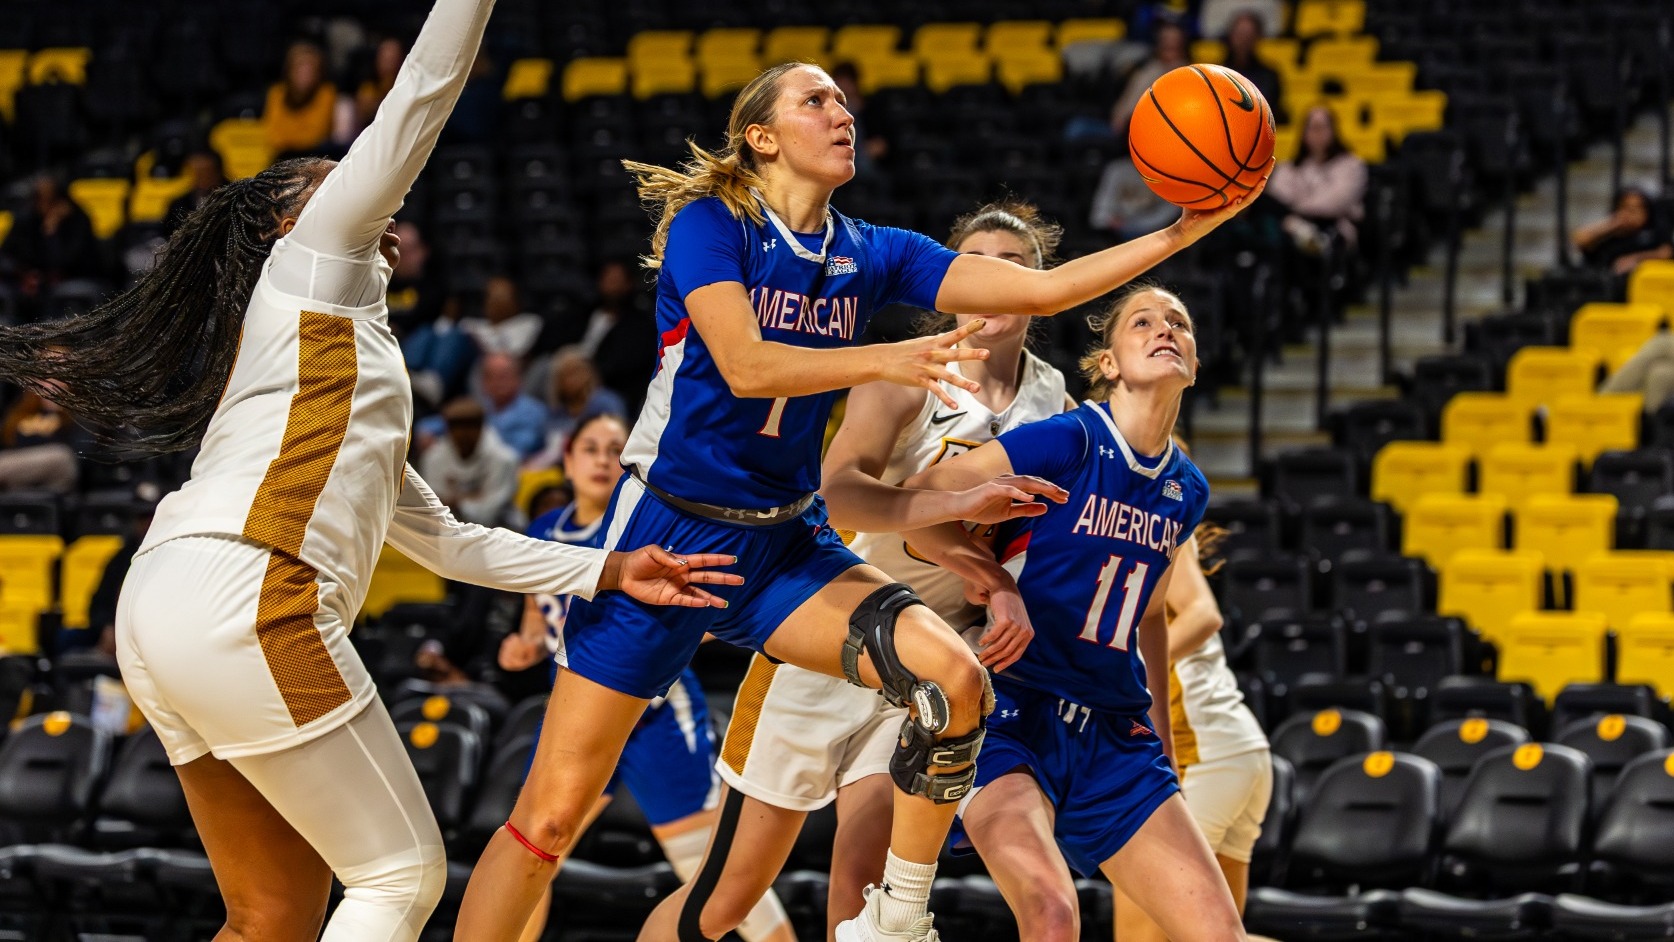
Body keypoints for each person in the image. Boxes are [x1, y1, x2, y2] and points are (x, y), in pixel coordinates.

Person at [454, 60, 1263, 942]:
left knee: (954, 680)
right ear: (761, 138)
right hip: (666, 533)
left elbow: (1044, 291)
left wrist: (1183, 230)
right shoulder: (710, 227)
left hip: (784, 543)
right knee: (552, 821)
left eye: (844, 99)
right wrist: (885, 361)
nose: (841, 111)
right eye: (816, 100)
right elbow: (748, 365)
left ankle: (898, 919)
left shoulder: (872, 252)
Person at [0, 1, 740, 938]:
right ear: (285, 220)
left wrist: (606, 567)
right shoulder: (312, 265)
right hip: (246, 593)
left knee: (272, 913)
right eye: (334, 178)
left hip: (163, 603)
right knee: (400, 874)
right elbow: (419, 99)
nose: (362, 191)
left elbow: (449, 540)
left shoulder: (329, 354)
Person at [638, 200, 1073, 942]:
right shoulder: (909, 372)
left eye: (1016, 265)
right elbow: (840, 494)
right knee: (727, 897)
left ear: (1037, 286)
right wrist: (972, 533)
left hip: (930, 658)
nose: (997, 278)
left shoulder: (1053, 399)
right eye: (982, 263)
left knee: (865, 880)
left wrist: (1005, 590)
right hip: (831, 630)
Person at [893, 284, 1249, 942]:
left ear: (1194, 364)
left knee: (1217, 933)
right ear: (1109, 362)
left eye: (1180, 321)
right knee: (1054, 916)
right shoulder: (1068, 439)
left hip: (1113, 732)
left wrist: (1162, 745)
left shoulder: (1186, 489)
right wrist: (996, 580)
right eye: (1141, 321)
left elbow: (1150, 617)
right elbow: (919, 501)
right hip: (1012, 710)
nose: (1163, 328)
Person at [499, 412, 797, 942]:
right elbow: (537, 613)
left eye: (613, 449)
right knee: (529, 850)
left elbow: (706, 610)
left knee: (709, 873)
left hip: (651, 712)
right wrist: (524, 643)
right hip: (574, 714)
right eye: (588, 447)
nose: (599, 458)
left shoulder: (644, 529)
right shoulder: (544, 530)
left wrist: (667, 636)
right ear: (565, 460)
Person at [1113, 523, 1273, 942]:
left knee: (1140, 937)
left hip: (1200, 753)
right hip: (1235, 749)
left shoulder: (1156, 523)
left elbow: (1205, 615)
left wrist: (1115, 675)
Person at [1266, 105, 1368, 255]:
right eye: (1313, 128)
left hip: (1335, 225)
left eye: (1322, 127)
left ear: (1333, 130)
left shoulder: (1351, 165)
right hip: (1292, 226)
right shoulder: (1290, 167)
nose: (1317, 134)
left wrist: (1296, 206)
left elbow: (1336, 202)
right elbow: (1276, 196)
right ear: (1304, 132)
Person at [2, 174, 102, 316]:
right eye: (41, 199)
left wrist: (52, 233)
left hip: (69, 278)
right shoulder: (26, 218)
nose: (45, 205)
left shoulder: (78, 219)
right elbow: (7, 255)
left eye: (51, 200)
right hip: (26, 281)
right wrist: (24, 274)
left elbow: (74, 260)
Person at [419, 397, 520, 526]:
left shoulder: (504, 459)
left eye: (470, 426)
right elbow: (435, 509)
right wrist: (473, 497)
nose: (463, 433)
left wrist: (456, 502)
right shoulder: (432, 457)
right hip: (448, 530)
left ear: (481, 426)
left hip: (501, 530)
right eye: (456, 426)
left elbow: (488, 514)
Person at [1572, 187, 1674, 278]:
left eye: (1636, 209)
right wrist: (1613, 223)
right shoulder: (1609, 234)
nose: (1631, 214)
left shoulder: (1653, 233)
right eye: (1626, 208)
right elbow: (1580, 240)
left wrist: (1636, 259)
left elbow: (1666, 252)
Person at [1110, 20, 1189, 135]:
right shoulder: (1147, 71)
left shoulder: (1188, 74)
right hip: (1130, 132)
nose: (1169, 45)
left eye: (1174, 43)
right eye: (1166, 41)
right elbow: (1121, 115)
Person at [264, 40, 338, 160]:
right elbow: (274, 136)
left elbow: (316, 135)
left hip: (314, 158)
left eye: (310, 69)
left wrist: (290, 138)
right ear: (289, 70)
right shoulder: (276, 93)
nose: (305, 74)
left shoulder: (327, 94)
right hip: (281, 159)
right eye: (300, 67)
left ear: (318, 72)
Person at [336, 36, 407, 147]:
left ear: (401, 60)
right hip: (365, 138)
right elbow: (363, 117)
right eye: (385, 57)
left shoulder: (405, 85)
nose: (388, 62)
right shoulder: (366, 85)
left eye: (393, 58)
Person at [479, 350, 551, 460]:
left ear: (518, 378)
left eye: (504, 376)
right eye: (491, 377)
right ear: (483, 382)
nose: (497, 382)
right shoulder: (478, 410)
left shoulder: (534, 412)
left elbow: (521, 450)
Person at [1218, 11, 1283, 123]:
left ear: (1257, 38)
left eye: (1248, 36)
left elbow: (1270, 113)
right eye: (1240, 34)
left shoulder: (1269, 76)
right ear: (1231, 36)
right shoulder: (1215, 73)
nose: (1243, 41)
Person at [461, 274, 544, 360]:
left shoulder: (528, 322)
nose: (495, 302)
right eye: (492, 296)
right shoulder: (472, 325)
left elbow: (512, 354)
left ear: (516, 301)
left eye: (501, 296)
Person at [163, 151, 230, 238]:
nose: (200, 178)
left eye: (205, 173)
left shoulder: (234, 200)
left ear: (218, 172)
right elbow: (168, 235)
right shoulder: (178, 204)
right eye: (195, 173)